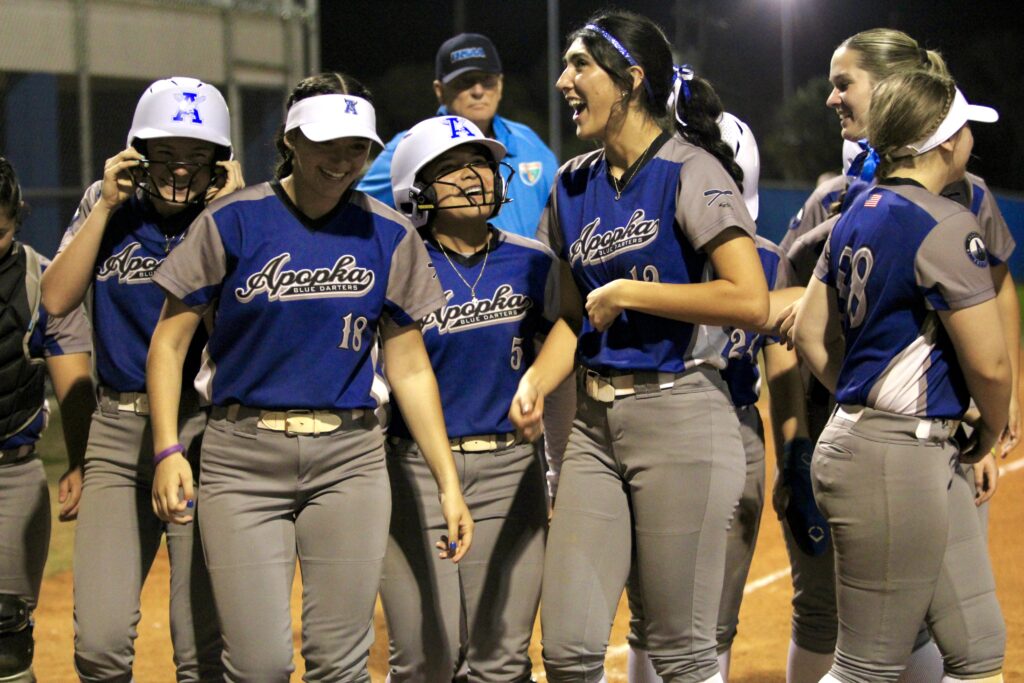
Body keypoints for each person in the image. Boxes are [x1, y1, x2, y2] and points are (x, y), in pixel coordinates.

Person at [146, 72, 473, 682]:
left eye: (357, 146)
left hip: (349, 459)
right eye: (327, 142)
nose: (343, 159)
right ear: (291, 138)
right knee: (259, 664)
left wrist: (447, 482)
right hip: (242, 459)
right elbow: (169, 344)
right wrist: (167, 447)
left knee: (339, 663)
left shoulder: (389, 233)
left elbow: (408, 365)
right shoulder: (231, 221)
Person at [509, 11, 769, 682]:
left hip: (684, 412)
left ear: (630, 80)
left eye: (580, 65)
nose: (564, 80)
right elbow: (573, 319)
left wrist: (631, 291)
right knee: (567, 646)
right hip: (595, 427)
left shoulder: (691, 169)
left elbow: (749, 298)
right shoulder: (570, 184)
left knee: (681, 647)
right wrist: (536, 380)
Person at [775, 30, 1017, 682]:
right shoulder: (945, 222)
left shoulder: (858, 207)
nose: (973, 138)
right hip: (898, 453)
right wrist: (991, 429)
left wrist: (858, 394)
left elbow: (811, 333)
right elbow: (991, 367)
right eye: (965, 128)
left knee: (978, 642)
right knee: (866, 666)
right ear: (942, 141)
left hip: (885, 442)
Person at [40, 76, 243, 682]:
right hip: (118, 429)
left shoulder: (239, 216)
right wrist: (103, 205)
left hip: (207, 432)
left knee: (200, 645)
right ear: (137, 154)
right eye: (166, 155)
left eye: (197, 157)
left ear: (220, 162)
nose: (180, 170)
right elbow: (55, 300)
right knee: (99, 645)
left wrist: (228, 210)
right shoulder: (108, 207)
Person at [626, 111, 811, 683]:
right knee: (652, 615)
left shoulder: (768, 258)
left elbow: (781, 367)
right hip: (654, 423)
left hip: (734, 430)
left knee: (715, 619)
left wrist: (796, 455)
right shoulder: (639, 246)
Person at [380, 114, 555, 681]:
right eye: (453, 168)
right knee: (425, 659)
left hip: (512, 468)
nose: (476, 177)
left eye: (481, 163)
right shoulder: (396, 264)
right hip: (415, 472)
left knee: (500, 661)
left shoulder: (534, 262)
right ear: (417, 188)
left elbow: (564, 355)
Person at [0, 156, 93, 683]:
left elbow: (72, 382)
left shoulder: (40, 281)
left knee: (6, 639)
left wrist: (80, 459)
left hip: (10, 473)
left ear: (17, 219)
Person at [358, 32, 558, 238]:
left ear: (500, 85)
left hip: (530, 269)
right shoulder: (412, 145)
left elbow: (558, 220)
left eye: (487, 80)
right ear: (440, 90)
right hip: (447, 268)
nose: (478, 91)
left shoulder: (527, 141)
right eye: (465, 81)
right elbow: (356, 214)